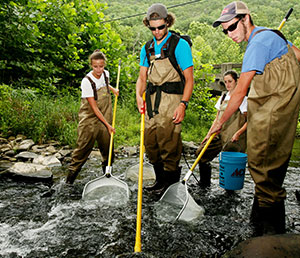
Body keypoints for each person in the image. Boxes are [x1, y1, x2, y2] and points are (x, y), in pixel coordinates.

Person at [211, 1, 300, 235]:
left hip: (271, 112)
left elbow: (240, 90)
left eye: (231, 28)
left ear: (245, 19)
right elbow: (298, 55)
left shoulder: (257, 44)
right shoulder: (273, 36)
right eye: (224, 31)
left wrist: (219, 123)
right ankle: (257, 224)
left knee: (261, 164)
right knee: (271, 168)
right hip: (281, 112)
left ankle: (271, 237)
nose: (229, 35)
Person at [136, 3, 194, 195]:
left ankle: (170, 188)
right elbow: (142, 77)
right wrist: (138, 95)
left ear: (168, 22)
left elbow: (189, 79)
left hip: (172, 100)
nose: (157, 31)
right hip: (152, 101)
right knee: (151, 145)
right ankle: (159, 182)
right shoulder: (148, 47)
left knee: (169, 144)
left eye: (161, 27)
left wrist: (183, 105)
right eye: (153, 28)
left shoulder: (180, 45)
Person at [66, 50, 119, 184]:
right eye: (95, 66)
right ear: (91, 65)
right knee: (82, 150)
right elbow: (94, 108)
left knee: (109, 149)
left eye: (101, 66)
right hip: (89, 119)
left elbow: (105, 84)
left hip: (105, 116)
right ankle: (69, 181)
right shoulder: (86, 81)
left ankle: (107, 177)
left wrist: (113, 89)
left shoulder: (106, 74)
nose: (99, 69)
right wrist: (108, 125)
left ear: (104, 64)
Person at [196, 70, 247, 188]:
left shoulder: (243, 98)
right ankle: (204, 184)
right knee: (201, 153)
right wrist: (208, 134)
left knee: (231, 167)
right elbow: (217, 118)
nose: (228, 84)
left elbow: (249, 121)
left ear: (237, 81)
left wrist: (238, 133)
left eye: (230, 81)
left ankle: (230, 191)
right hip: (219, 135)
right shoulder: (223, 96)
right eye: (225, 82)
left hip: (234, 138)